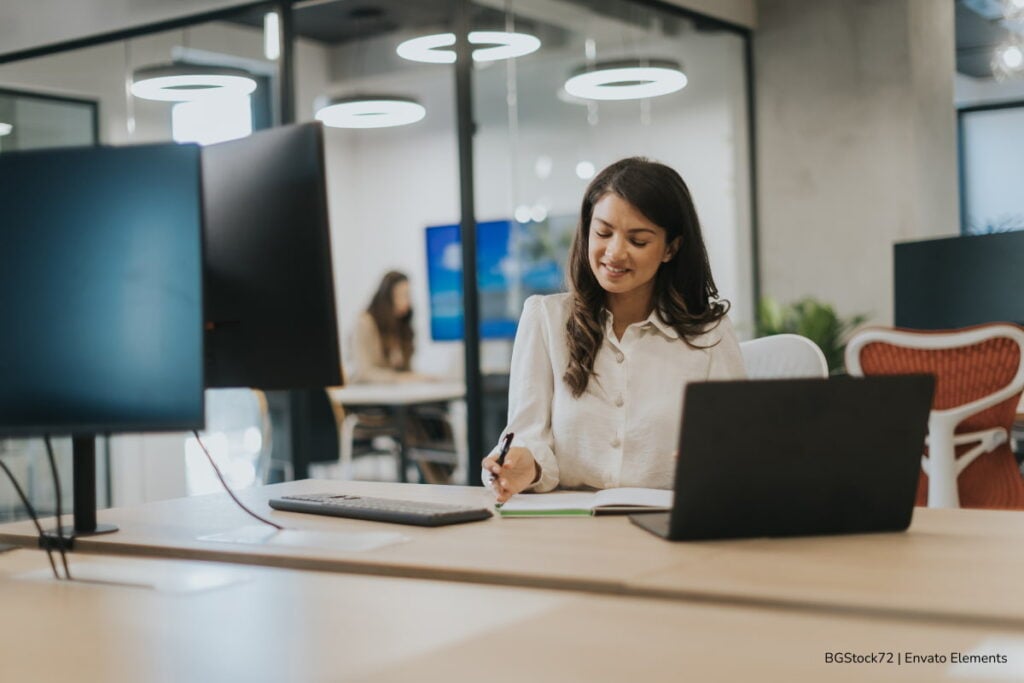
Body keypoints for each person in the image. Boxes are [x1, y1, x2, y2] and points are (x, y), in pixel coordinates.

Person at [483, 157, 746, 503]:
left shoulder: (709, 334)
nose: (614, 252)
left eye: (638, 241)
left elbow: (736, 446)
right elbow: (528, 436)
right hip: (569, 528)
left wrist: (718, 463)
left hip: (667, 524)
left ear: (671, 248)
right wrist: (521, 465)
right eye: (603, 233)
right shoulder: (545, 318)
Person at [349, 270, 430, 384]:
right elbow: (364, 373)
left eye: (408, 295)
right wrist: (401, 378)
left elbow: (404, 369)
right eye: (403, 295)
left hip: (395, 395)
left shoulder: (401, 325)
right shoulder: (365, 323)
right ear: (387, 297)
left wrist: (418, 377)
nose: (407, 302)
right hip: (368, 396)